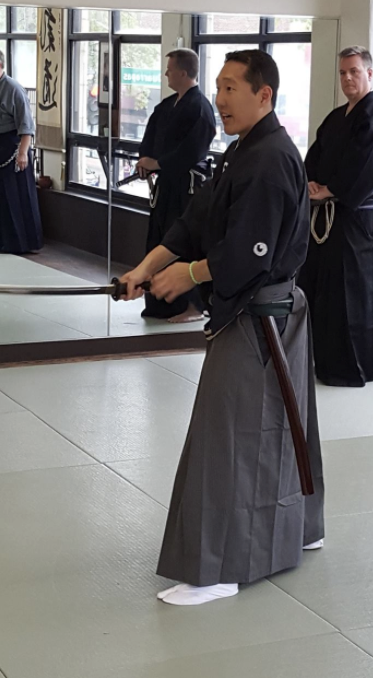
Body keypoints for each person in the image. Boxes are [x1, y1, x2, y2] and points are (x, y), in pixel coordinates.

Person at [121, 49, 324, 606]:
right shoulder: (242, 152)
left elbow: (247, 252)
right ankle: (298, 528)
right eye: (218, 86)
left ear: (265, 95)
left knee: (231, 439)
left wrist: (185, 275)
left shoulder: (271, 159)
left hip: (261, 321)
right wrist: (147, 267)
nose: (221, 97)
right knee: (272, 432)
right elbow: (196, 219)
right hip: (258, 315)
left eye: (232, 87)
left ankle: (225, 567)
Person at [298, 46, 373, 387]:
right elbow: (314, 155)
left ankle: (360, 365)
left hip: (359, 222)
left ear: (369, 74)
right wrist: (312, 183)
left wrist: (332, 189)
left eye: (354, 72)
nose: (347, 78)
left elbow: (369, 168)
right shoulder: (336, 117)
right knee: (324, 289)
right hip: (328, 218)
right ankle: (325, 361)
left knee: (356, 292)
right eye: (342, 72)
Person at [136, 48, 216, 323]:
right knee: (159, 239)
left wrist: (158, 164)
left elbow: (193, 151)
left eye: (169, 69)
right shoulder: (167, 106)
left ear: (183, 72)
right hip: (166, 184)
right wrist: (145, 162)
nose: (166, 73)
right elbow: (150, 138)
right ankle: (159, 301)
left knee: (183, 241)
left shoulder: (201, 107)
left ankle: (192, 305)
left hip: (187, 187)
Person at [0, 50, 43, 254]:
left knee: (16, 196)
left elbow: (26, 126)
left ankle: (22, 242)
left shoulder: (13, 89)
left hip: (13, 145)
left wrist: (23, 153)